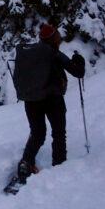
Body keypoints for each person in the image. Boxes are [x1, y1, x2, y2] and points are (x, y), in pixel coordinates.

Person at [12, 23, 86, 183]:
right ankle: (59, 167)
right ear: (54, 39)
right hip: (53, 99)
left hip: (31, 101)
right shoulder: (54, 54)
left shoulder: (31, 53)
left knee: (37, 134)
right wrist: (79, 60)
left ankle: (26, 163)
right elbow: (78, 72)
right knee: (58, 133)